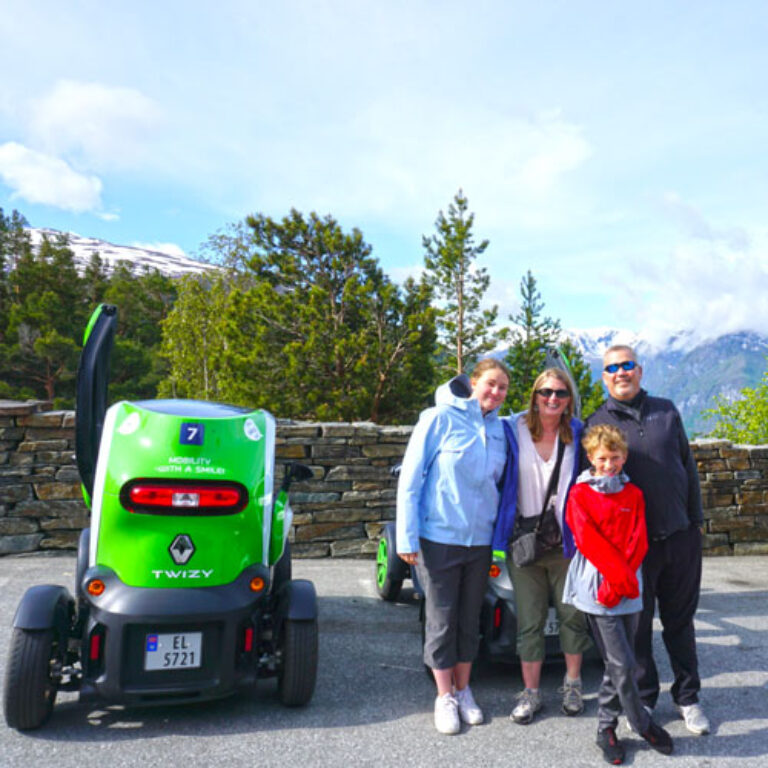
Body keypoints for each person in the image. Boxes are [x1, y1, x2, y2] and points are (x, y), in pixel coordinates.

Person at [585, 345, 710, 735]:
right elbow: (591, 484)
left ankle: (688, 698)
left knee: (680, 623)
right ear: (604, 377)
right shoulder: (597, 422)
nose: (621, 372)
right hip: (633, 549)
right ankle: (644, 699)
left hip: (680, 537)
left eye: (627, 365)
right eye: (612, 368)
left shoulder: (667, 410)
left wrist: (696, 522)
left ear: (639, 370)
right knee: (637, 629)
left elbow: (687, 466)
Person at [396, 358, 509, 735]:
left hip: (479, 541)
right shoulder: (438, 418)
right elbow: (410, 478)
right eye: (490, 383)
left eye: (503, 387)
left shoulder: (499, 429)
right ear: (473, 382)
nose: (495, 392)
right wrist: (405, 536)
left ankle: (464, 690)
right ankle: (443, 695)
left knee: (469, 618)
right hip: (439, 537)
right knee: (442, 618)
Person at [563, 424, 673, 764]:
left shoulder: (633, 494)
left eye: (615, 457)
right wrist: (613, 579)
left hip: (628, 585)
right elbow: (588, 539)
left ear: (624, 457)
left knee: (618, 662)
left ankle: (605, 726)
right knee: (624, 662)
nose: (609, 464)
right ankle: (641, 722)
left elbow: (637, 538)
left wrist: (624, 580)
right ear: (590, 459)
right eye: (602, 458)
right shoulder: (580, 494)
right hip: (598, 584)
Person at [492, 368, 592, 725]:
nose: (553, 399)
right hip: (524, 543)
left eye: (561, 393)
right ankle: (531, 693)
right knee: (529, 621)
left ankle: (573, 685)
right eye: (546, 391)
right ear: (534, 395)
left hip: (566, 545)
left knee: (572, 617)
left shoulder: (578, 433)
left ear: (569, 400)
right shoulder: (511, 429)